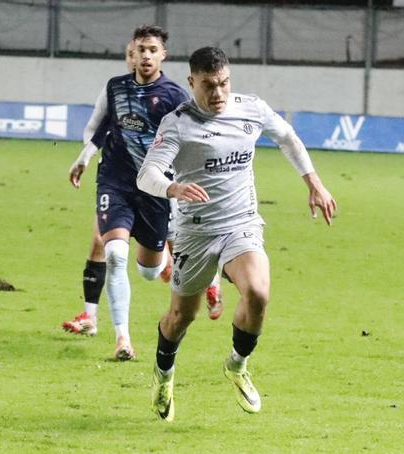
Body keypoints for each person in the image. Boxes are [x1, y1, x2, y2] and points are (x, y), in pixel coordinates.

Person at [137, 46, 337, 421]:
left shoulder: (251, 109)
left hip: (240, 223)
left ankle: (237, 365)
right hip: (195, 233)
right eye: (209, 86)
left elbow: (287, 137)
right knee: (181, 316)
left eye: (224, 83)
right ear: (192, 82)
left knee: (258, 292)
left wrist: (314, 183)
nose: (218, 94)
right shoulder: (177, 123)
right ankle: (164, 374)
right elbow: (146, 174)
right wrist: (172, 188)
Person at [63, 25, 188, 361]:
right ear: (133, 53)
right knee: (115, 253)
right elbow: (104, 127)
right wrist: (84, 158)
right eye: (141, 49)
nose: (146, 56)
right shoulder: (115, 87)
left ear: (163, 55)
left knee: (149, 270)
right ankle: (123, 340)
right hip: (115, 183)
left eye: (152, 50)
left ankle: (162, 260)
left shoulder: (176, 97)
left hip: (154, 189)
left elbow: (191, 140)